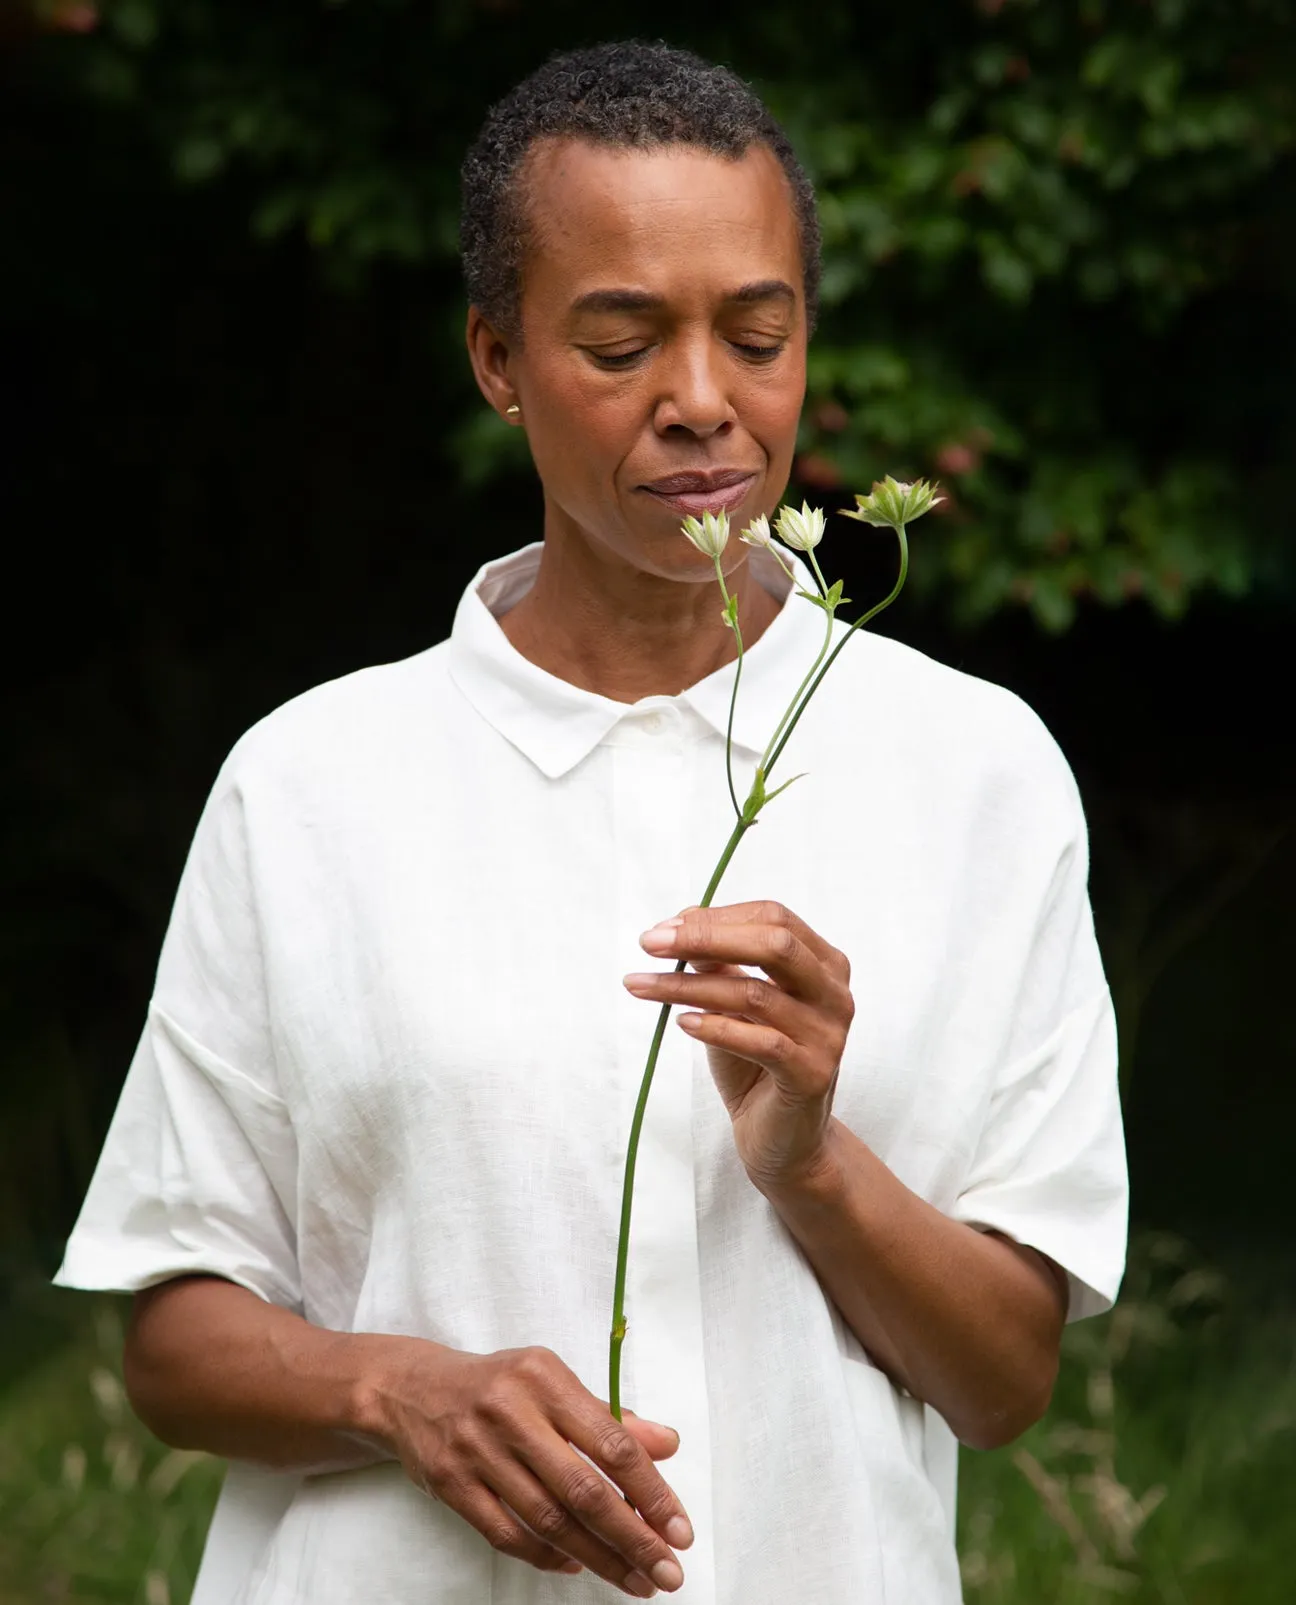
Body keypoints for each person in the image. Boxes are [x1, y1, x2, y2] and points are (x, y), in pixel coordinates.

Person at [54, 40, 1127, 1605]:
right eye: (620, 344)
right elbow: (172, 1338)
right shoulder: (311, 784)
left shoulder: (977, 772)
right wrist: (400, 1392)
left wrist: (815, 1163)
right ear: (496, 359)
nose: (706, 404)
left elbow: (1006, 1381)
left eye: (758, 336)